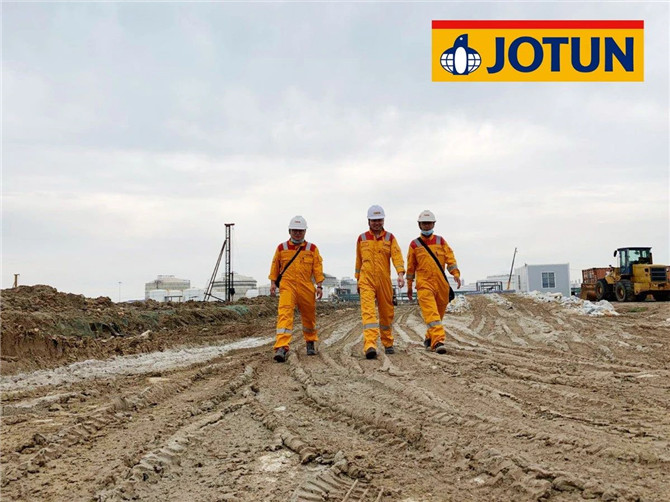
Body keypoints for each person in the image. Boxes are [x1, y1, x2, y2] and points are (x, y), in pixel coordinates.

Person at [269, 215, 324, 362]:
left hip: (306, 286)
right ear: (289, 231)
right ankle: (281, 347)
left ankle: (310, 341)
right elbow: (275, 266)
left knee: (309, 316)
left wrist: (319, 285)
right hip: (287, 286)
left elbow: (317, 268)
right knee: (284, 314)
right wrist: (273, 283)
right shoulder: (282, 248)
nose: (297, 233)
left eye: (300, 231)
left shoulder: (312, 249)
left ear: (305, 231)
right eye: (295, 230)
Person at [406, 210, 461, 354]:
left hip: (441, 284)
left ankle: (429, 338)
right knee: (431, 313)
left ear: (434, 224)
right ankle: (438, 341)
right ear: (419, 225)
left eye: (429, 223)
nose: (427, 226)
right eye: (424, 223)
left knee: (438, 315)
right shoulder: (414, 244)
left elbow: (450, 258)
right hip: (424, 284)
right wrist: (409, 285)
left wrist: (455, 273)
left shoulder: (440, 241)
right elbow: (411, 267)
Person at [355, 205, 405, 359]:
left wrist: (400, 273)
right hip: (366, 280)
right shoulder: (362, 238)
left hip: (384, 281)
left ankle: (388, 342)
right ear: (368, 221)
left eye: (379, 220)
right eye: (374, 220)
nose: (377, 223)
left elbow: (396, 256)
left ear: (383, 220)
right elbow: (359, 260)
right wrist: (358, 279)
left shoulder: (390, 238)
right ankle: (370, 345)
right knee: (368, 313)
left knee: (386, 312)